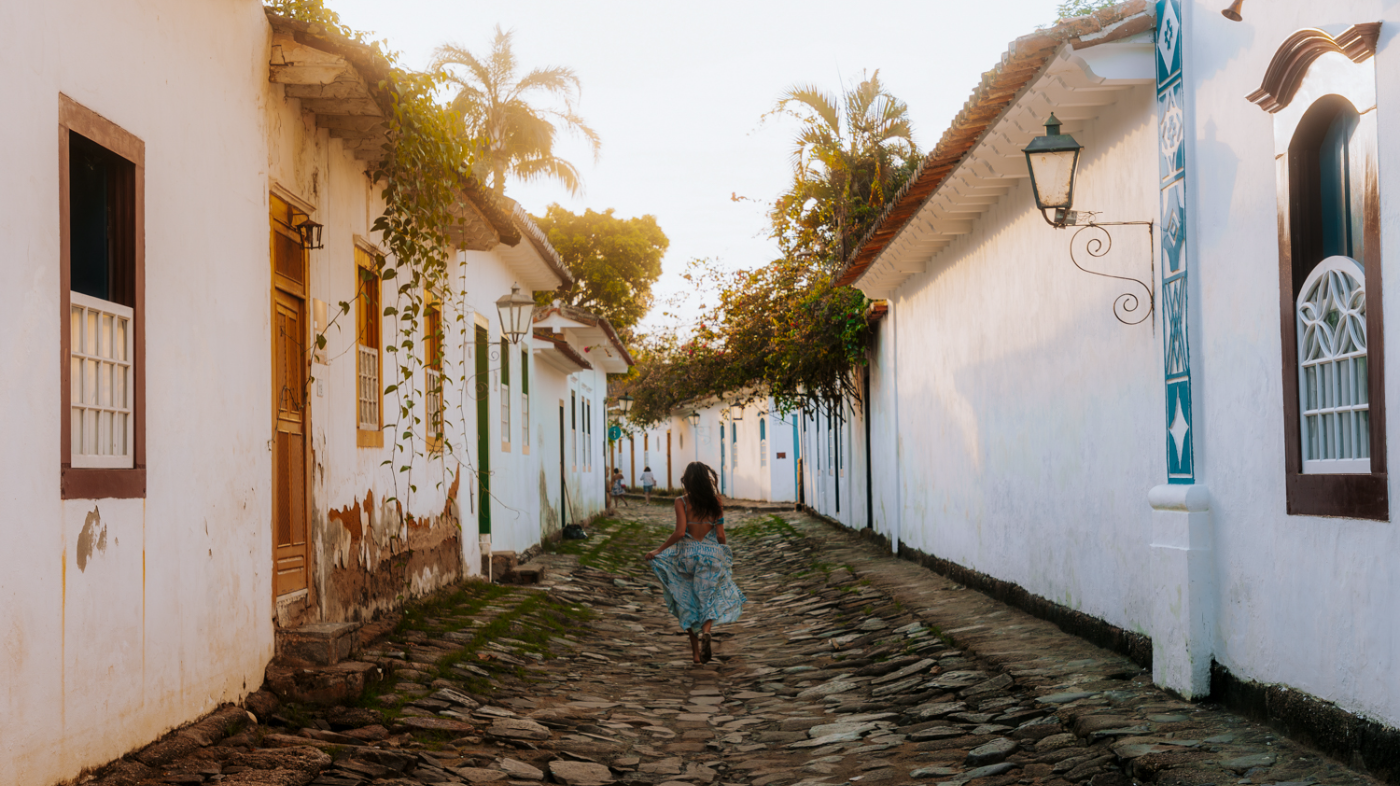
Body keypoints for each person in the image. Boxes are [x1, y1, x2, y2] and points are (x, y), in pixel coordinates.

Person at [645, 462, 746, 664]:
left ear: (687, 480)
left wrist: (658, 550)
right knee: (707, 597)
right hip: (711, 556)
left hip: (687, 556)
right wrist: (722, 555)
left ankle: (695, 654)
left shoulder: (681, 501)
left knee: (686, 600)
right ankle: (707, 632)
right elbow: (720, 534)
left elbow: (680, 532)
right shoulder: (716, 502)